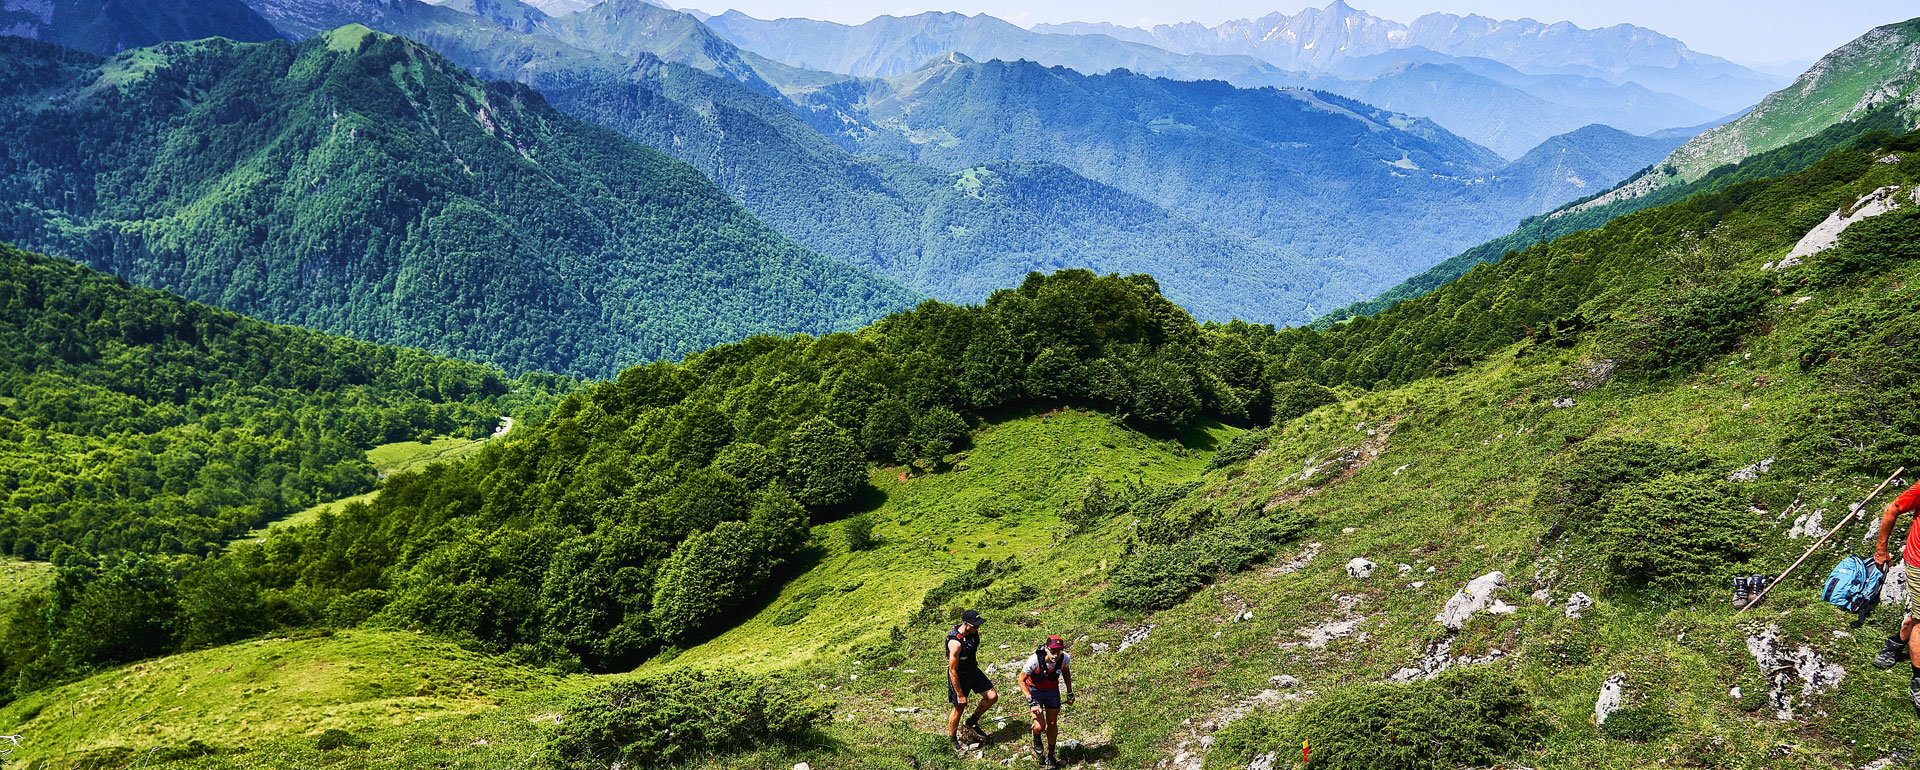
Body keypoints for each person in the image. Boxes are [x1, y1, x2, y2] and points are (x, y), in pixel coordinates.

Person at [1869, 478, 1920, 711]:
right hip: (1918, 563)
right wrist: (1881, 550)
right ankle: (1918, 682)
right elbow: (1893, 509)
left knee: (1918, 616)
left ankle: (1895, 643)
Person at [1019, 635, 1075, 768]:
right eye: (1053, 651)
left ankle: (1051, 755)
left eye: (1059, 651)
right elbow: (1021, 680)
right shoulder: (1034, 660)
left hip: (1052, 691)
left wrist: (1069, 692)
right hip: (1035, 691)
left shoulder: (1065, 658)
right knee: (1039, 726)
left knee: (1052, 723)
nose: (1056, 655)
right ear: (1046, 649)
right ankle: (1036, 735)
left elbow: (1065, 672)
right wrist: (1031, 701)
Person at [947, 609, 998, 751]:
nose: (977, 628)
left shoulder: (973, 634)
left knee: (992, 696)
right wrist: (960, 694)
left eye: (978, 625)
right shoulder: (955, 643)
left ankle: (972, 721)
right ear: (965, 624)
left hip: (973, 670)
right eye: (974, 625)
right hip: (959, 674)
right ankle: (952, 738)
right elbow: (952, 670)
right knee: (959, 707)